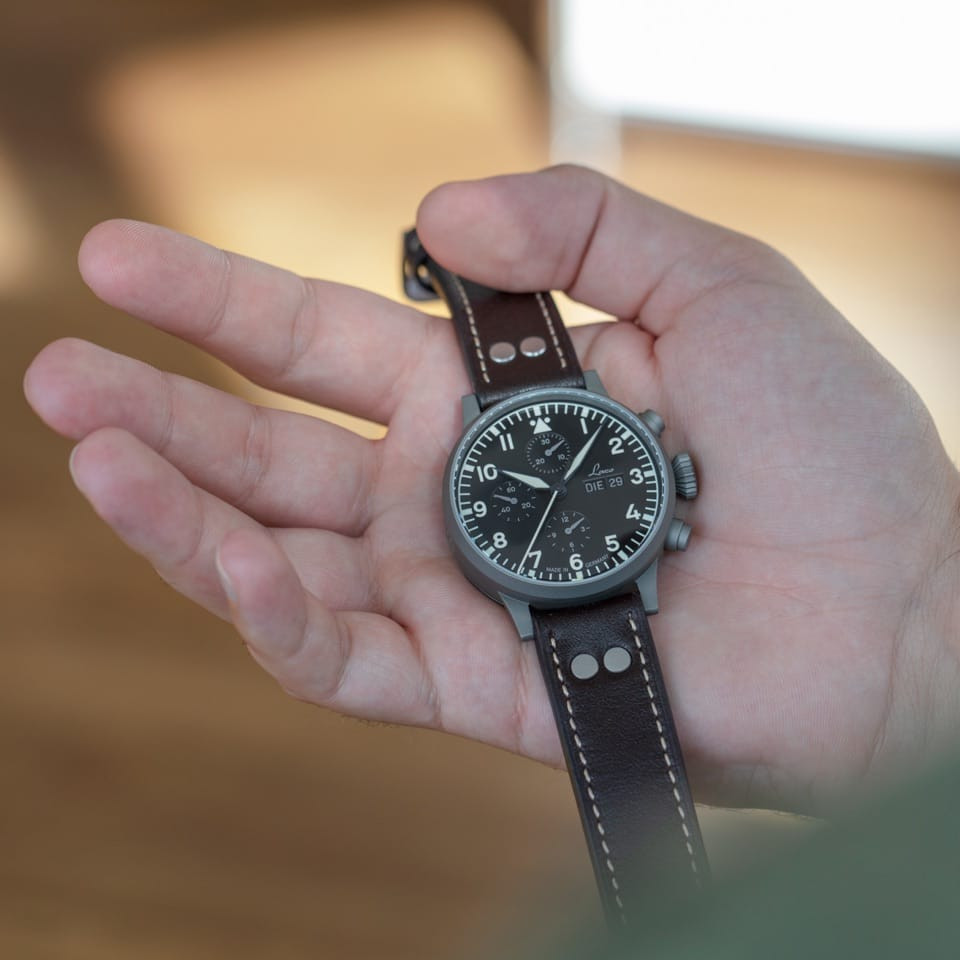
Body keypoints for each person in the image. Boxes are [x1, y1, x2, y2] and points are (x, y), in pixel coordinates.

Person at [22, 164, 960, 865]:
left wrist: (920, 645)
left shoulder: (611, 496)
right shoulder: (542, 489)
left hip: (598, 568)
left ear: (666, 476)